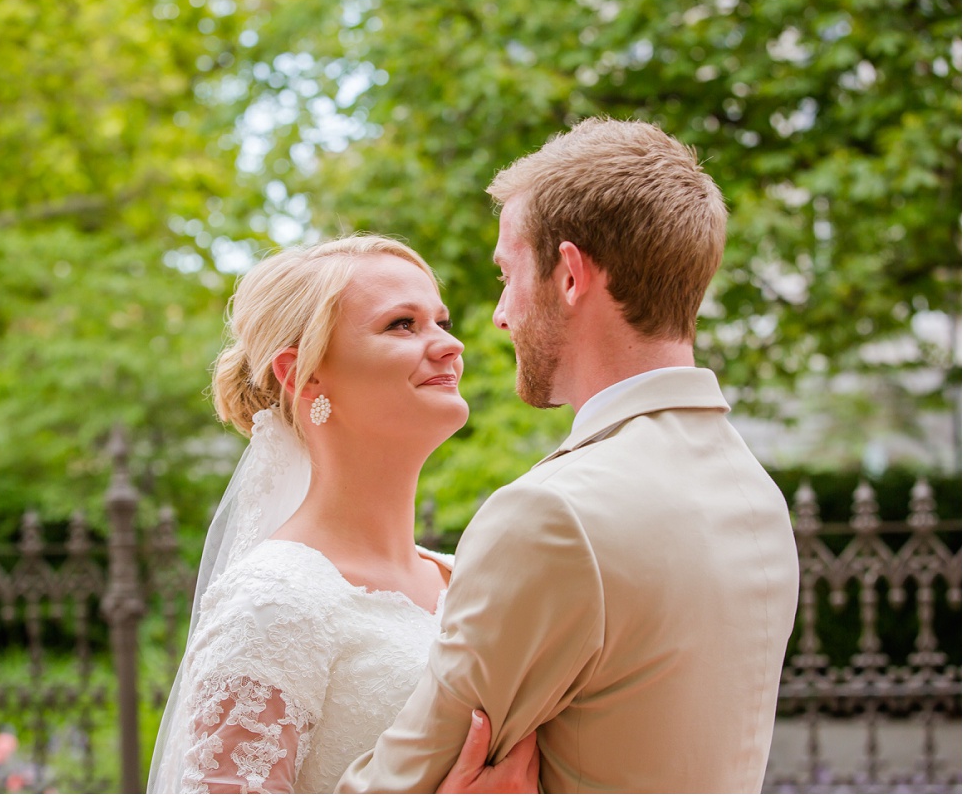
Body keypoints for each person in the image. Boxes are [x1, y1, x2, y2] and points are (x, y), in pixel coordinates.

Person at [337, 118, 801, 792]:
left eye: (508, 272)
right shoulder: (756, 494)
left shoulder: (554, 514)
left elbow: (400, 780)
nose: (500, 314)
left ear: (571, 275)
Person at [146, 235, 539, 793]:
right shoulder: (274, 599)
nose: (450, 345)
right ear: (304, 376)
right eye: (402, 324)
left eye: (440, 321)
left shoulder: (465, 577)